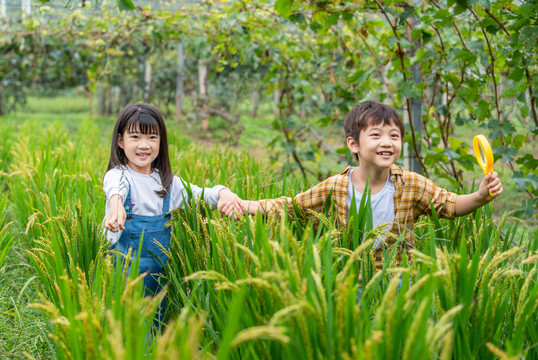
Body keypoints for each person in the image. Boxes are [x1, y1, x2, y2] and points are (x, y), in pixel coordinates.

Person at [223, 101, 503, 269]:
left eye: (394, 135)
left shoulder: (411, 185)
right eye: (376, 134)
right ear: (354, 144)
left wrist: (480, 196)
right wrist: (246, 205)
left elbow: (449, 205)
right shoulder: (335, 188)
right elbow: (292, 208)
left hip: (400, 286)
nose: (387, 142)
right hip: (350, 285)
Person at [103, 103, 242, 328]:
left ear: (161, 142)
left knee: (151, 328)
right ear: (121, 141)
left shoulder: (168, 183)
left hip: (156, 281)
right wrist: (116, 204)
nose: (144, 145)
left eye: (152, 137)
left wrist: (223, 192)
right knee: (121, 329)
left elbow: (200, 195)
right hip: (121, 279)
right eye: (135, 136)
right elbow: (114, 187)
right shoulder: (119, 177)